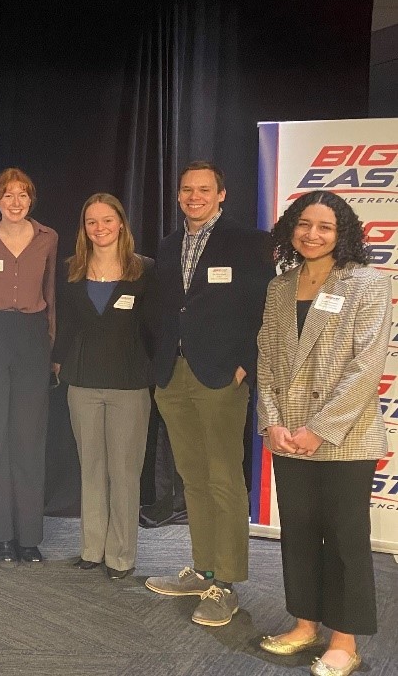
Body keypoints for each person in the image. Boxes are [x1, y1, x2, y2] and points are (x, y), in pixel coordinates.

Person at [255, 192, 390, 676]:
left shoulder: (367, 284)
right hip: (288, 436)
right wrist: (272, 420)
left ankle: (345, 640)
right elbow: (266, 357)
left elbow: (366, 365)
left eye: (325, 227)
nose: (312, 234)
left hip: (343, 438)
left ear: (343, 233)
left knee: (345, 538)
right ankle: (305, 623)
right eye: (304, 224)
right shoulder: (279, 286)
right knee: (299, 535)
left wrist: (320, 428)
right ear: (291, 228)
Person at [145, 161, 273, 627]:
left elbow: (266, 307)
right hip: (173, 375)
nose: (193, 196)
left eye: (204, 189)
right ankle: (203, 570)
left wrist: (245, 363)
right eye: (186, 190)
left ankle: (228, 584)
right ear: (179, 197)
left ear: (222, 194)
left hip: (221, 375)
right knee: (193, 478)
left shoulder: (250, 242)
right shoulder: (168, 243)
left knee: (223, 479)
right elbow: (168, 307)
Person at [53, 193, 156, 580]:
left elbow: (155, 329)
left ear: (121, 224)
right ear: (84, 228)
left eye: (107, 221)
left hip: (129, 384)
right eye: (91, 222)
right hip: (82, 382)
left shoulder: (144, 270)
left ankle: (121, 556)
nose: (100, 229)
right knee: (91, 469)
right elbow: (64, 324)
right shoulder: (70, 269)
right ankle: (92, 549)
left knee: (125, 473)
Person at [0, 168, 57, 564]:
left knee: (28, 438)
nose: (16, 202)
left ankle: (29, 537)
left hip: (32, 336)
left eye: (23, 195)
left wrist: (52, 348)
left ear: (31, 200)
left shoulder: (48, 239)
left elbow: (52, 292)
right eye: (8, 195)